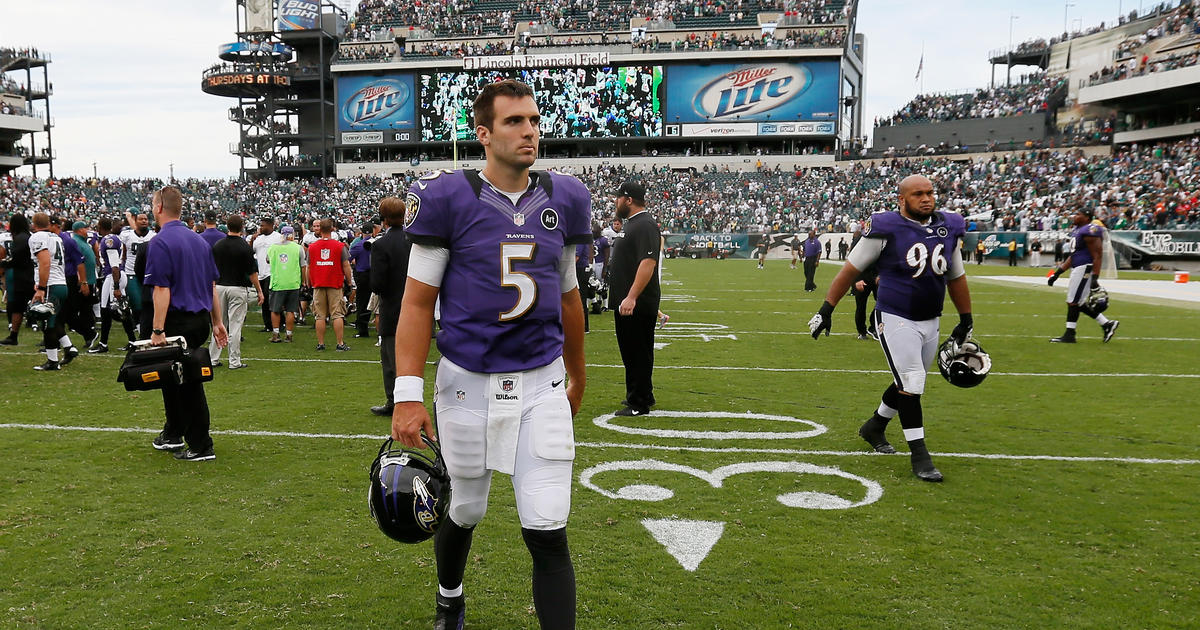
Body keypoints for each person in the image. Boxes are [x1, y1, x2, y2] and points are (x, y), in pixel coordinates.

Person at [390, 79, 588, 630]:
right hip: (466, 383)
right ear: (483, 133)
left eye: (533, 119)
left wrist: (578, 374)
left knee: (548, 526)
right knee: (465, 508)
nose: (529, 130)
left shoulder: (566, 195)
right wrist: (406, 395)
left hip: (541, 382)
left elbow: (569, 298)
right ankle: (449, 597)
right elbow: (415, 303)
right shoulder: (448, 197)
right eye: (513, 121)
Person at [808, 175, 975, 483]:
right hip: (895, 316)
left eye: (929, 193)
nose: (926, 198)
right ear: (902, 200)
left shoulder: (948, 227)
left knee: (909, 380)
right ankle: (920, 455)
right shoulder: (885, 228)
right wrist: (827, 309)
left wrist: (966, 318)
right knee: (912, 381)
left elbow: (956, 276)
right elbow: (850, 269)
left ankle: (875, 426)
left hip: (931, 318)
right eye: (917, 194)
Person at [142, 186, 227, 461]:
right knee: (172, 378)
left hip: (177, 320)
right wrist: (217, 321)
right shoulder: (199, 241)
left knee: (188, 383)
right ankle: (173, 432)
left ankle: (201, 444)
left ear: (158, 208)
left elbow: (161, 289)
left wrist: (157, 330)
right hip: (200, 318)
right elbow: (211, 285)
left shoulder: (160, 242)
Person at [608, 180, 661, 417]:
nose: (615, 202)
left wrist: (631, 297)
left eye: (618, 198)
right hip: (628, 302)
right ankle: (643, 393)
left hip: (634, 304)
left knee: (636, 351)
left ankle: (638, 403)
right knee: (633, 351)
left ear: (628, 200)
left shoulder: (645, 225)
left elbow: (648, 263)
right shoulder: (634, 224)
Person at [1047, 208, 1119, 343]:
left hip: (1085, 267)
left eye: (1079, 214)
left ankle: (1070, 334)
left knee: (1073, 301)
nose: (1075, 216)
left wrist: (1095, 277)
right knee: (1077, 302)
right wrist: (1057, 274)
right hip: (1078, 267)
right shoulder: (1077, 231)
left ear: (1087, 217)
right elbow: (1073, 256)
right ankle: (1107, 324)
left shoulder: (1090, 230)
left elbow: (1097, 255)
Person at [369, 197, 412, 416]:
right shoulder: (415, 241)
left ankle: (395, 401)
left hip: (393, 309)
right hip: (417, 308)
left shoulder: (380, 245)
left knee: (391, 360)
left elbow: (377, 284)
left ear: (383, 218)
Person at [209, 215, 263, 369]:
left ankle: (213, 358)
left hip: (219, 287)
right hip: (238, 288)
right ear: (242, 227)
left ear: (227, 226)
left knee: (218, 323)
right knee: (235, 325)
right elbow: (252, 273)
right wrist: (259, 291)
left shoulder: (218, 245)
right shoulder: (245, 247)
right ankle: (234, 361)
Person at [27, 213, 78, 370]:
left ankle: (53, 361)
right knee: (54, 320)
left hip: (51, 284)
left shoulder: (38, 237)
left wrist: (41, 287)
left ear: (34, 224)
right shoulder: (56, 237)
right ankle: (69, 348)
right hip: (60, 283)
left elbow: (45, 262)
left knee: (47, 322)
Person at [307, 218, 354, 351]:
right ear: (332, 229)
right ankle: (340, 343)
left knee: (320, 315)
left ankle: (321, 343)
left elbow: (309, 267)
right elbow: (346, 266)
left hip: (318, 284)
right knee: (337, 314)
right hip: (335, 284)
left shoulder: (312, 247)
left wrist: (309, 283)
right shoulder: (340, 246)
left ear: (319, 230)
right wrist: (349, 282)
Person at [92, 217, 137, 353]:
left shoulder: (108, 240)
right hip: (116, 276)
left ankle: (103, 344)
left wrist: (116, 286)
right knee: (121, 309)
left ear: (100, 226)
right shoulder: (112, 238)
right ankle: (133, 341)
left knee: (106, 310)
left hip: (113, 277)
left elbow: (115, 265)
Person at [120, 210, 156, 335]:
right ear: (135, 222)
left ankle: (148, 329)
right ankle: (142, 331)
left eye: (146, 219)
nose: (144, 221)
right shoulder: (127, 235)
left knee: (149, 303)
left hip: (149, 273)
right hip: (131, 273)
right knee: (137, 304)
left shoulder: (153, 235)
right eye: (141, 219)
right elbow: (123, 251)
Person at [267, 226, 305, 343]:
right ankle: (289, 335)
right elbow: (303, 266)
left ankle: (276, 334)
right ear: (292, 234)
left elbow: (267, 260)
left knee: (275, 310)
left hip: (278, 282)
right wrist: (303, 281)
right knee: (290, 310)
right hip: (293, 282)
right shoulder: (298, 248)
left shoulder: (273, 247)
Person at [1, 213, 34, 345]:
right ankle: (13, 335)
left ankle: (14, 335)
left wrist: (4, 263)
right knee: (19, 307)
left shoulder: (20, 239)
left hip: (24, 277)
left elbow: (16, 259)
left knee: (19, 307)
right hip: (28, 275)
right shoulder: (28, 237)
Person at [250, 217, 284, 333]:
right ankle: (268, 325)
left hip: (273, 272)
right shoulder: (258, 239)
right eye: (261, 225)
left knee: (272, 300)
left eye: (263, 225)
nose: (261, 227)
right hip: (261, 274)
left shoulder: (278, 238)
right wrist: (252, 240)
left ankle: (280, 322)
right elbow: (251, 251)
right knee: (263, 300)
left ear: (271, 225)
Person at [348, 222, 374, 338]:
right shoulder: (378, 243)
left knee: (362, 302)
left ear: (361, 232)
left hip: (362, 275)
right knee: (372, 301)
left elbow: (348, 258)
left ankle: (362, 329)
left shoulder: (358, 246)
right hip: (374, 274)